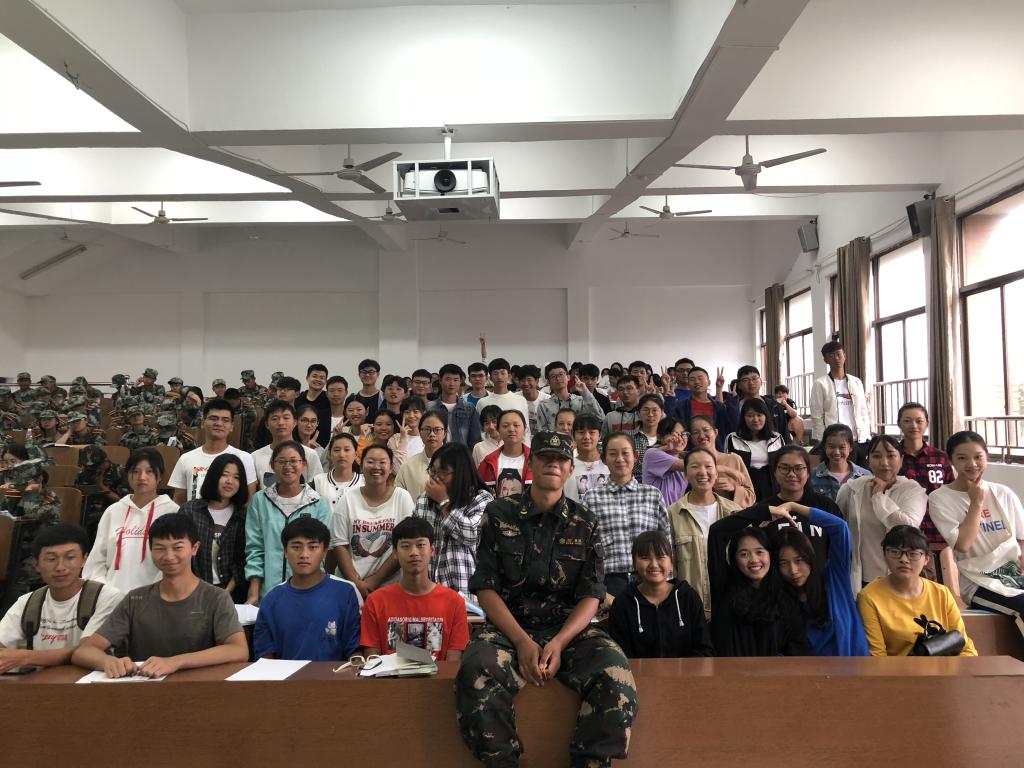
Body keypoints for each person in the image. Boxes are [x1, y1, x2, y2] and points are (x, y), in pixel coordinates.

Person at [454, 431, 637, 768]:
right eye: (545, 457)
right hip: (508, 630)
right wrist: (522, 641)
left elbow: (592, 595)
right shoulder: (499, 513)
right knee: (475, 671)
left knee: (615, 674)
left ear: (570, 469)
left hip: (570, 631)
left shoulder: (585, 522)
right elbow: (485, 587)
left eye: (561, 459)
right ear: (531, 463)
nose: (553, 463)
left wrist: (560, 641)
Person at [73, 513, 248, 677]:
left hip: (200, 688)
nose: (169, 556)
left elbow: (238, 650)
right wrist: (108, 662)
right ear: (151, 550)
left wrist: (175, 662)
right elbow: (84, 651)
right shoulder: (135, 599)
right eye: (160, 548)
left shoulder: (216, 598)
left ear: (195, 548)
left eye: (177, 547)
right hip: (144, 690)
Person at [929, 431, 1024, 630]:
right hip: (979, 582)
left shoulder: (1003, 493)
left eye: (978, 457)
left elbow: (1022, 539)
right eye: (962, 458)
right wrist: (976, 503)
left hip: (1015, 575)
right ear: (950, 461)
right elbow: (963, 545)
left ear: (986, 457)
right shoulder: (940, 498)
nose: (972, 464)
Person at [0, 524, 123, 672]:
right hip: (40, 684)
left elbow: (87, 651)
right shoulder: (27, 602)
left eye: (70, 557)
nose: (60, 567)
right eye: (51, 559)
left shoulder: (107, 597)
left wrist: (25, 657)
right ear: (36, 565)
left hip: (92, 682)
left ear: (84, 559)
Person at [766, 502, 869, 656]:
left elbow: (839, 527)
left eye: (799, 560)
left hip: (853, 667)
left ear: (809, 557)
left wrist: (793, 506)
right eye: (784, 563)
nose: (793, 571)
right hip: (807, 670)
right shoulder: (779, 599)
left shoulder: (835, 579)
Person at [857, 525, 977, 656]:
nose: (903, 559)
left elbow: (965, 648)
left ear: (926, 559)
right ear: (884, 555)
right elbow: (877, 656)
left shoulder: (942, 593)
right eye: (895, 552)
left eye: (913, 554)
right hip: (897, 669)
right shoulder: (869, 597)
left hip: (944, 667)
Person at [360, 516, 469, 660]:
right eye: (406, 546)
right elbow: (372, 662)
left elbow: (452, 665)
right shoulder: (375, 602)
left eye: (420, 545)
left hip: (438, 674)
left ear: (432, 550)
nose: (414, 552)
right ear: (395, 553)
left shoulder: (454, 603)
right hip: (389, 675)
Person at [254, 517, 361, 661]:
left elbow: (355, 651)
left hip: (335, 674)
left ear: (324, 552)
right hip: (285, 676)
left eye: (313, 547)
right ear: (285, 552)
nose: (304, 555)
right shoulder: (271, 600)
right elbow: (264, 658)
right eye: (296, 547)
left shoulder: (345, 592)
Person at [580, 433, 668, 599]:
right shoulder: (591, 497)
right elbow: (585, 546)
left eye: (625, 453)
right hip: (609, 582)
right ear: (604, 459)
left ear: (635, 456)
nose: (620, 459)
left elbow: (665, 540)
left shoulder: (652, 494)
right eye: (613, 454)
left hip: (648, 578)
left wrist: (666, 579)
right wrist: (596, 589)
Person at [836, 435, 927, 590]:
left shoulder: (912, 490)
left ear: (901, 459)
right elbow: (839, 529)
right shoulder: (852, 489)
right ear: (868, 460)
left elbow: (908, 529)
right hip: (860, 578)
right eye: (877, 456)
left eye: (891, 456)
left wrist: (879, 497)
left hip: (900, 578)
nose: (884, 463)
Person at [245, 440, 331, 603]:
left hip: (308, 593)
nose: (287, 466)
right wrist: (254, 593)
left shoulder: (319, 503)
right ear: (273, 465)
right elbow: (255, 548)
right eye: (282, 461)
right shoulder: (260, 501)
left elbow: (322, 552)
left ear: (304, 464)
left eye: (293, 461)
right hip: (268, 593)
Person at [83, 448, 179, 593]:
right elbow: (96, 562)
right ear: (128, 475)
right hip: (112, 598)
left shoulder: (172, 512)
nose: (142, 477)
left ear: (160, 476)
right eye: (135, 471)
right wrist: (106, 593)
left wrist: (154, 595)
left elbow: (176, 562)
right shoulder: (113, 512)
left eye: (149, 471)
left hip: (156, 597)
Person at [708, 521, 810, 657]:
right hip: (730, 670)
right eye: (744, 554)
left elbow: (797, 649)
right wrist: (766, 511)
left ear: (770, 555)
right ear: (734, 559)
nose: (754, 560)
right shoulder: (724, 590)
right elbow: (717, 531)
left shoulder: (785, 597)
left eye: (759, 552)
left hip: (776, 671)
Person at [607, 530, 714, 658]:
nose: (654, 564)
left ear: (671, 560)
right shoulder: (623, 604)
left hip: (686, 671)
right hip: (638, 672)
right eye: (645, 558)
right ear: (634, 562)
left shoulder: (688, 597)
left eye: (660, 557)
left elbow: (704, 650)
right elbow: (620, 657)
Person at [330, 445, 415, 599]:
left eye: (382, 462)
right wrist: (356, 583)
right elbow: (339, 545)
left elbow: (405, 545)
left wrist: (375, 580)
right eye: (370, 462)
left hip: (391, 588)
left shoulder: (402, 497)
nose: (376, 466)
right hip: (349, 587)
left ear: (391, 467)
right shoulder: (348, 499)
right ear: (361, 466)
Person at [666, 449, 744, 616]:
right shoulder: (672, 514)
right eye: (695, 466)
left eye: (708, 466)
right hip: (690, 607)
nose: (702, 472)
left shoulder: (734, 512)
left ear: (716, 472)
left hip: (731, 605)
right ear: (685, 474)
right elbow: (670, 566)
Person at [413, 443, 492, 598]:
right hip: (428, 592)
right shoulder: (423, 500)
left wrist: (444, 502)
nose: (435, 477)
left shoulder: (481, 498)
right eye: (433, 471)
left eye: (443, 472)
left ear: (461, 473)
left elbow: (472, 536)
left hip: (466, 593)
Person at [897, 401, 958, 586]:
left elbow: (952, 491)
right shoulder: (893, 457)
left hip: (937, 532)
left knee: (940, 586)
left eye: (918, 420)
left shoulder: (940, 457)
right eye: (907, 420)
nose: (913, 425)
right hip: (904, 532)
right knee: (909, 585)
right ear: (899, 424)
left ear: (927, 423)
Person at [179, 454, 249, 604]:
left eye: (236, 477)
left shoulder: (242, 516)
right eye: (224, 475)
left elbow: (242, 561)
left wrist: (225, 593)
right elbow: (181, 554)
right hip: (192, 593)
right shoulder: (190, 511)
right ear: (213, 476)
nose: (230, 481)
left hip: (231, 596)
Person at [168, 399, 257, 504]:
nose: (219, 423)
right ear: (203, 423)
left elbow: (249, 501)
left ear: (232, 426)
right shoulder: (185, 459)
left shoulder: (244, 458)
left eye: (225, 420)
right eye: (213, 418)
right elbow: (179, 501)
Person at [809, 341, 872, 457]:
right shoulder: (820, 384)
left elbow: (863, 411)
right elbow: (817, 416)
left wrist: (866, 434)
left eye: (839, 354)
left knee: (862, 469)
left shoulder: (856, 382)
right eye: (831, 356)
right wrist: (822, 440)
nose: (836, 358)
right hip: (835, 442)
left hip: (858, 439)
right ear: (826, 360)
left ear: (844, 356)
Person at [251, 400, 325, 489]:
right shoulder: (255, 457)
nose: (281, 423)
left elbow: (318, 487)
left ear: (295, 423)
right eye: (275, 418)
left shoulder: (309, 454)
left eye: (286, 418)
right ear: (267, 424)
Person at [687, 414, 756, 507]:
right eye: (695, 432)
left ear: (716, 432)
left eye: (706, 430)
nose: (702, 436)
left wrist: (734, 488)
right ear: (691, 438)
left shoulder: (733, 459)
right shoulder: (686, 460)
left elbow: (751, 497)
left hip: (729, 514)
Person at [725, 397, 786, 500]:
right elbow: (728, 467)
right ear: (743, 418)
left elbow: (784, 464)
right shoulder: (733, 439)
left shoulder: (776, 438)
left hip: (772, 486)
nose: (755, 419)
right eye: (750, 416)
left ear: (766, 416)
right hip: (744, 488)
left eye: (759, 415)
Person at [722, 365, 791, 442]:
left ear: (760, 381)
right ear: (739, 385)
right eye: (745, 380)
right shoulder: (734, 408)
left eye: (754, 378)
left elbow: (784, 434)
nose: (751, 383)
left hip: (773, 448)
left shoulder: (775, 406)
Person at [809, 423, 872, 502]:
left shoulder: (865, 476)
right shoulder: (812, 476)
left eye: (842, 447)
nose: (837, 452)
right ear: (824, 447)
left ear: (850, 448)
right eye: (831, 447)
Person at [477, 409, 532, 498]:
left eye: (516, 425)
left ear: (525, 428)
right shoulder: (487, 463)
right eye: (505, 426)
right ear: (498, 430)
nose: (511, 429)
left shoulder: (536, 460)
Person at [536, 361, 602, 433]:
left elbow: (599, 418)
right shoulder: (544, 405)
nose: (558, 378)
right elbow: (542, 433)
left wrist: (586, 393)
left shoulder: (581, 401)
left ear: (568, 377)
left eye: (561, 374)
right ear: (548, 382)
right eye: (553, 376)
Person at [474, 358, 531, 442]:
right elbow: (480, 430)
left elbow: (526, 429)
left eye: (503, 373)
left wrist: (526, 447)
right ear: (490, 377)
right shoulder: (482, 402)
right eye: (495, 373)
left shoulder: (520, 400)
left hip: (515, 446)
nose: (499, 377)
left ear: (509, 376)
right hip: (490, 447)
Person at [395, 409, 447, 501]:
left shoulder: (456, 462)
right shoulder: (408, 466)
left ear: (445, 434)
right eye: (427, 429)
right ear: (420, 432)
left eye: (437, 430)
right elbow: (397, 498)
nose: (432, 434)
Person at [428, 363, 481, 448]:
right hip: (437, 453)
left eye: (456, 380)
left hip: (461, 454)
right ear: (440, 380)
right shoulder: (430, 408)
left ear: (460, 382)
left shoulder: (469, 408)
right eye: (448, 379)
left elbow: (474, 440)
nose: (452, 383)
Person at [675, 367, 729, 450]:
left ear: (709, 382)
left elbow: (726, 429)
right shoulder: (681, 406)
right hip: (690, 451)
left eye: (700, 378)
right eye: (692, 379)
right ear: (688, 384)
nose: (697, 381)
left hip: (716, 451)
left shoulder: (719, 407)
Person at [642, 416, 689, 507]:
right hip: (655, 513)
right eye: (674, 434)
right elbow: (694, 465)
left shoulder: (685, 458)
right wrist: (668, 447)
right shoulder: (652, 454)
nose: (680, 439)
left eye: (683, 434)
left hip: (676, 514)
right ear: (660, 437)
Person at [312, 432, 364, 513]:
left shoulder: (364, 481)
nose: (342, 455)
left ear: (356, 454)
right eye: (336, 450)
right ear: (329, 454)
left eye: (347, 450)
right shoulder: (318, 480)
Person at [564, 415, 609, 502]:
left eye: (592, 432)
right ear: (573, 435)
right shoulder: (567, 466)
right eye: (581, 432)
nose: (586, 437)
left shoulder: (609, 464)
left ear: (599, 435)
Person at [294, 363, 332, 448]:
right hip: (298, 446)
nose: (318, 379)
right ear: (307, 378)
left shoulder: (329, 400)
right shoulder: (298, 399)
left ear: (326, 381)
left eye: (322, 378)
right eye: (315, 376)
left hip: (322, 447)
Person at [631, 394, 664, 481]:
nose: (650, 414)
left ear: (662, 413)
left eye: (654, 410)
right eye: (646, 410)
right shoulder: (629, 438)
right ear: (638, 413)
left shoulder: (668, 439)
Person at [602, 373, 642, 438]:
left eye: (629, 388)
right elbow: (604, 440)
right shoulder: (610, 417)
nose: (625, 392)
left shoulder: (645, 414)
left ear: (638, 390)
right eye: (621, 389)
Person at [517, 364, 549, 435]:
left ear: (537, 381)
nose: (526, 383)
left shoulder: (547, 399)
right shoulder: (515, 398)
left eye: (529, 380)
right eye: (522, 380)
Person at [293, 403, 327, 467]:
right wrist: (306, 448)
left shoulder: (319, 450)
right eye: (305, 420)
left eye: (313, 421)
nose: (309, 425)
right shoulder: (288, 445)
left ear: (317, 423)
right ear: (296, 421)